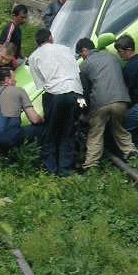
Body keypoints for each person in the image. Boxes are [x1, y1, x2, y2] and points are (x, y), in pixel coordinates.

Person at [28, 29, 84, 176]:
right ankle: (65, 171)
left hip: (55, 95)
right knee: (69, 132)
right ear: (51, 38)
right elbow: (76, 73)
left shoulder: (34, 57)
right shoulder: (66, 49)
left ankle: (50, 171)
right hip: (77, 95)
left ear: (37, 42)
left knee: (50, 132)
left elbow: (41, 85)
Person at [75, 37, 137, 169]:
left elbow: (83, 92)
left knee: (95, 132)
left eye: (81, 54)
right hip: (121, 101)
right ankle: (130, 152)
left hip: (100, 103)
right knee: (118, 127)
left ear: (85, 50)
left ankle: (91, 164)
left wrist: (83, 111)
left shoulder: (84, 66)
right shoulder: (112, 57)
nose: (82, 57)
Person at [0, 66, 44, 159]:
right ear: (7, 80)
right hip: (10, 139)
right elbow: (34, 119)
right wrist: (43, 119)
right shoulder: (19, 91)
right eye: (14, 79)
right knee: (42, 128)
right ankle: (38, 160)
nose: (15, 81)